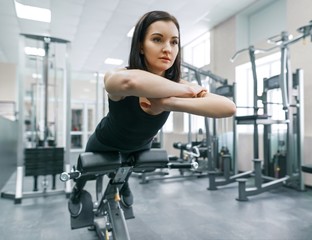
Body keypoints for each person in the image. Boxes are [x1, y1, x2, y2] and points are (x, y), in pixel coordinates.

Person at [68, 10, 236, 217]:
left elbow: (228, 107)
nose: (168, 49)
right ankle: (76, 191)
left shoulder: (176, 89)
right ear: (140, 45)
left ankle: (122, 186)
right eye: (157, 39)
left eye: (174, 42)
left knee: (124, 170)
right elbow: (129, 82)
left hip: (140, 145)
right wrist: (186, 91)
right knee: (86, 172)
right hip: (105, 141)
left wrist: (171, 103)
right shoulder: (121, 75)